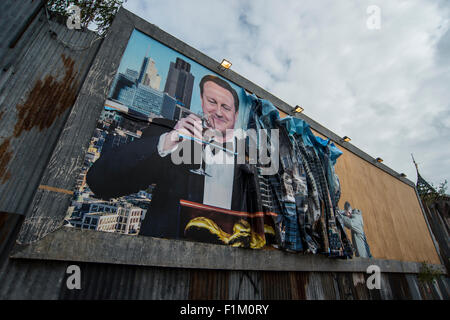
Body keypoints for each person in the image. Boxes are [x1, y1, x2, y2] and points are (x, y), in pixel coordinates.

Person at [86, 75, 257, 240]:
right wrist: (166, 142)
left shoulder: (246, 158)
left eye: (226, 107)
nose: (218, 112)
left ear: (235, 116)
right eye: (212, 102)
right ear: (202, 103)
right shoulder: (171, 134)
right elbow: (100, 182)